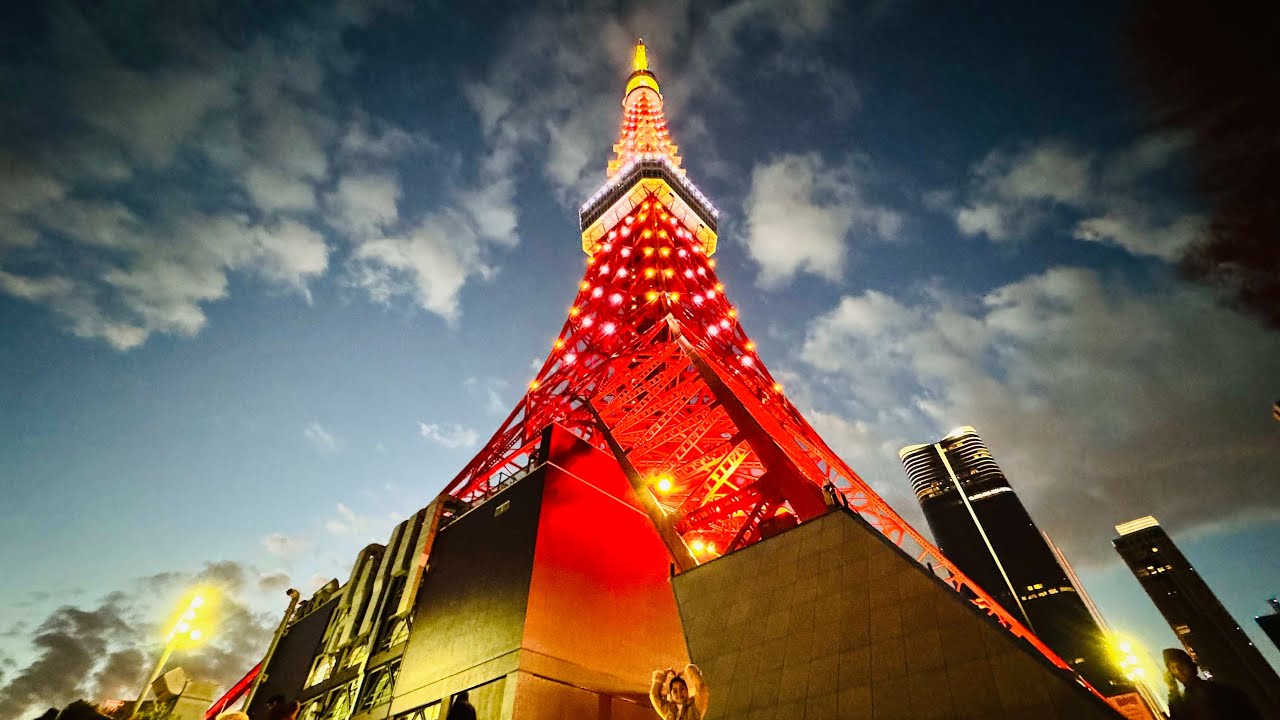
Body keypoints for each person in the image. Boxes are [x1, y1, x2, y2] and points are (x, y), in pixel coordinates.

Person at [1163, 648, 1262, 719]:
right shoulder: (1186, 700)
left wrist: (1173, 690)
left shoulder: (1225, 692)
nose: (1179, 670)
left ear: (1191, 665)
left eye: (1180, 665)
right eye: (1173, 668)